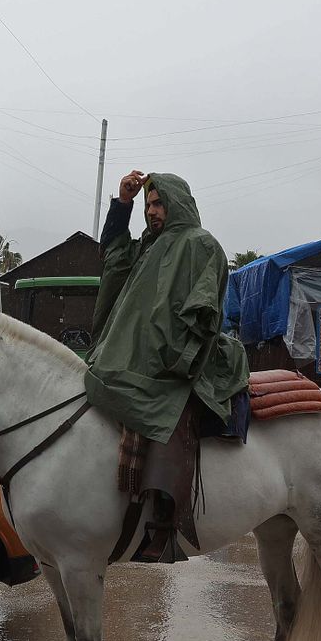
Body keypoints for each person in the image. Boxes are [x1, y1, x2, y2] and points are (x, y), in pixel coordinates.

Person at [85, 170, 249, 562]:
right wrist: (122, 205)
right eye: (147, 206)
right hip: (135, 353)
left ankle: (164, 522)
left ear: (178, 203)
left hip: (188, 360)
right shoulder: (147, 246)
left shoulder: (202, 245)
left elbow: (204, 311)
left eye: (158, 204)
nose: (152, 212)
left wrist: (178, 359)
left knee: (164, 406)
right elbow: (114, 260)